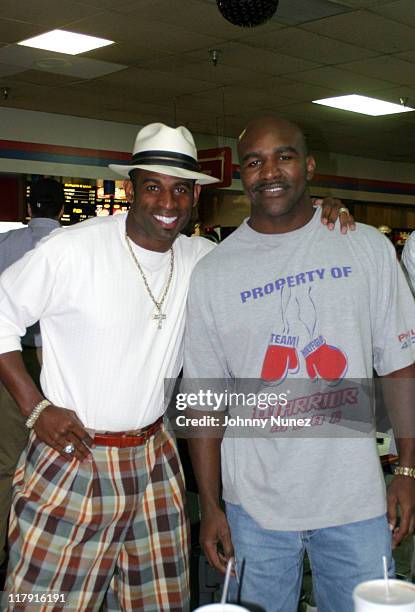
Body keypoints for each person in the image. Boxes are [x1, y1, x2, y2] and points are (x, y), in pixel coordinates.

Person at [0, 122, 352, 611]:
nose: (167, 203)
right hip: (74, 455)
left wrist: (321, 217)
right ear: (131, 189)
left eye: (180, 190)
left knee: (158, 600)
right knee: (43, 600)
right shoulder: (71, 251)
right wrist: (36, 408)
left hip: (154, 457)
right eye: (153, 187)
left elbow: (278, 258)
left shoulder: (204, 259)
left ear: (194, 198)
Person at [183, 116, 415, 612]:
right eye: (254, 161)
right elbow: (205, 401)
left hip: (355, 502)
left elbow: (401, 368)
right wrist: (210, 505)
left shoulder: (365, 247)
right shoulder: (213, 273)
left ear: (307, 164)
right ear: (241, 174)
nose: (269, 171)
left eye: (283, 156)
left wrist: (409, 470)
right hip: (253, 509)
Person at [0, 178, 63, 577]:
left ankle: (8, 553)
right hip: (55, 361)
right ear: (60, 209)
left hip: (11, 362)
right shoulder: (73, 246)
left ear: (29, 205)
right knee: (55, 455)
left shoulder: (6, 245)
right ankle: (48, 548)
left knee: (8, 459)